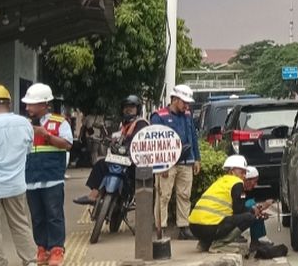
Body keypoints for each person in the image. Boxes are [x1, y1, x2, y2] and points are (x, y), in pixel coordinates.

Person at [22, 83, 73, 266]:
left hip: (52, 177)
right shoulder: (24, 125)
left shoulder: (60, 123)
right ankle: (42, 248)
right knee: (37, 216)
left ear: (44, 104)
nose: (27, 108)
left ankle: (57, 249)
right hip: (31, 179)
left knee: (54, 215)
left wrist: (47, 136)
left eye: (31, 104)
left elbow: (68, 144)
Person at [0, 85, 39, 266]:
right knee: (20, 224)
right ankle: (31, 264)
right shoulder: (24, 124)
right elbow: (28, 151)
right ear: (9, 103)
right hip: (16, 184)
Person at [74, 95, 148, 206]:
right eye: (126, 107)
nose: (128, 110)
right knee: (100, 165)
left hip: (134, 161)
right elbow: (117, 138)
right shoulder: (124, 125)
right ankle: (94, 195)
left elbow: (138, 141)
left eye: (131, 107)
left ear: (138, 109)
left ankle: (132, 198)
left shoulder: (141, 123)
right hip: (121, 158)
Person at [151, 84, 200, 240]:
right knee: (163, 195)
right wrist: (161, 164)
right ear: (175, 99)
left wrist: (197, 158)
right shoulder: (159, 116)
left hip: (186, 161)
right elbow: (156, 142)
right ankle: (161, 227)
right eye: (184, 102)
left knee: (184, 195)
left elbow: (193, 137)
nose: (186, 105)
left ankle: (184, 227)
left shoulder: (187, 115)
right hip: (167, 164)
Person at [188, 155, 258, 253]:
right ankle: (218, 245)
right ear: (232, 171)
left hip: (194, 227)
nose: (244, 175)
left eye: (245, 172)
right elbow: (238, 210)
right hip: (210, 228)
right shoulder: (237, 182)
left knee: (225, 218)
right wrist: (253, 210)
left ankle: (204, 243)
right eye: (242, 172)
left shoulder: (220, 181)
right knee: (249, 217)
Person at [242, 166, 286, 259]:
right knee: (253, 206)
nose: (255, 184)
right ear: (247, 180)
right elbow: (242, 207)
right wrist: (262, 206)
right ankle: (255, 242)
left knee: (257, 212)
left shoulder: (245, 191)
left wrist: (259, 210)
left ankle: (256, 240)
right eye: (254, 181)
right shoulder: (238, 188)